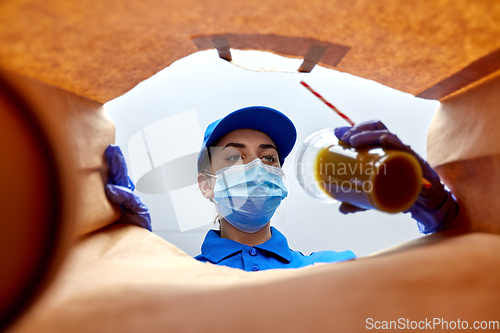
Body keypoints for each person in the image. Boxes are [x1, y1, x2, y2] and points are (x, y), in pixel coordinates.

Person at [104, 106, 459, 272]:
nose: (256, 167)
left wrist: (440, 213)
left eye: (268, 158)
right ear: (206, 185)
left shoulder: (335, 267)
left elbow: (457, 281)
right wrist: (126, 253)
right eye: (234, 157)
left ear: (282, 181)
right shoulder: (173, 277)